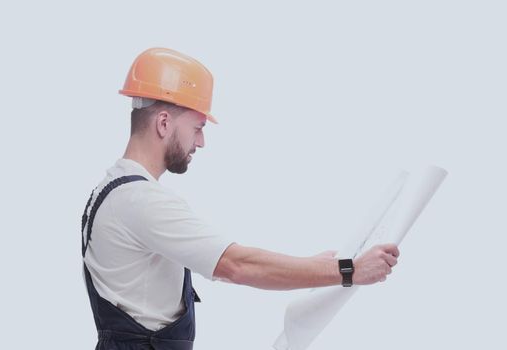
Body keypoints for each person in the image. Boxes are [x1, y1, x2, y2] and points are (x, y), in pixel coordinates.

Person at [81, 47, 400, 350]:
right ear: (164, 123)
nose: (201, 141)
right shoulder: (140, 200)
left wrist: (314, 265)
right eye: (198, 126)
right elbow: (236, 264)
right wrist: (349, 271)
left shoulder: (111, 189)